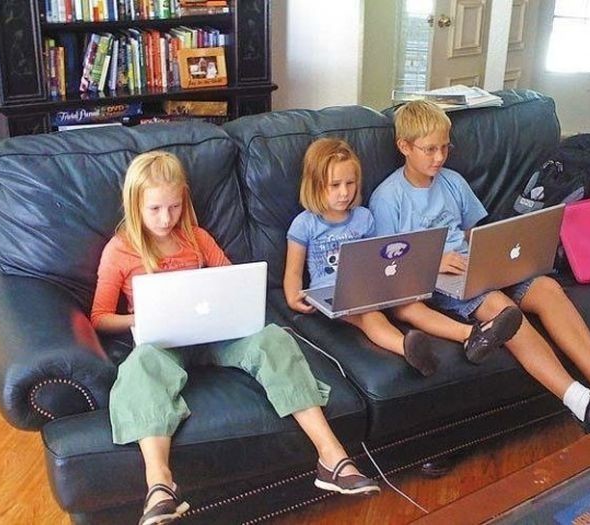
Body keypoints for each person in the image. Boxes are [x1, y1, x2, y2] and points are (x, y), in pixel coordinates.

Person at [90, 151, 380, 525]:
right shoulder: (120, 250)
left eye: (174, 207)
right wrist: (142, 317)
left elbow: (232, 282)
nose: (166, 218)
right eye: (155, 209)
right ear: (135, 205)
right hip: (161, 342)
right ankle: (160, 484)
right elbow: (99, 318)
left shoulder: (197, 238)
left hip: (215, 333)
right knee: (139, 367)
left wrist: (228, 305)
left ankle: (332, 457)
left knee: (273, 339)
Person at [369, 100, 590, 429]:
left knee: (546, 288)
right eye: (430, 149)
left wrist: (496, 252)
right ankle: (582, 402)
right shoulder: (389, 198)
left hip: (475, 266)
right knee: (502, 309)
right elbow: (389, 264)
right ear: (404, 146)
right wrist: (436, 261)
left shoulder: (452, 182)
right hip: (438, 281)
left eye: (445, 147)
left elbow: (474, 233)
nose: (439, 157)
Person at [284, 138, 522, 377]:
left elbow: (379, 257)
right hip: (334, 293)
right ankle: (408, 349)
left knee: (410, 305)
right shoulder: (305, 224)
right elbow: (293, 271)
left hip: (371, 287)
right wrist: (294, 297)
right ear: (314, 185)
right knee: (370, 317)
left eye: (350, 183)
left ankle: (472, 336)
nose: (344, 192)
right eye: (334, 185)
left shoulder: (364, 218)